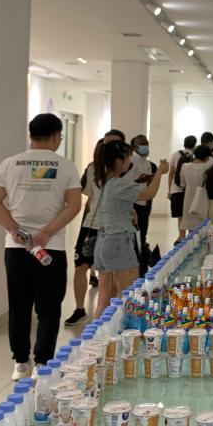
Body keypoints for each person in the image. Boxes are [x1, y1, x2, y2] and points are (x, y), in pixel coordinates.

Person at [0, 113, 82, 380]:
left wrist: (14, 229)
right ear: (55, 136)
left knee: (18, 305)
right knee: (49, 307)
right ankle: (43, 362)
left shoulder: (10, 164)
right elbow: (74, 205)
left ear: (32, 135)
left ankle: (20, 362)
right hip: (51, 248)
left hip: (16, 248)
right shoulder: (65, 166)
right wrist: (48, 231)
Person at [90, 141, 167, 315]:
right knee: (128, 298)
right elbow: (149, 194)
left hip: (103, 241)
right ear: (118, 162)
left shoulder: (102, 181)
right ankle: (122, 331)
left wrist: (128, 209)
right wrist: (160, 172)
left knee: (103, 301)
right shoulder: (119, 184)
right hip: (119, 241)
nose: (129, 161)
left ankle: (99, 332)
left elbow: (112, 203)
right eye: (127, 158)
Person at [66, 139, 105, 327]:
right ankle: (79, 308)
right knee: (80, 266)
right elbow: (89, 198)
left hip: (113, 227)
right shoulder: (92, 169)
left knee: (109, 271)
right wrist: (87, 221)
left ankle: (106, 311)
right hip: (91, 225)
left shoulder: (125, 171)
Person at [127, 134, 156, 272]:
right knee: (133, 236)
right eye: (141, 144)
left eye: (146, 144)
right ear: (134, 147)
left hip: (144, 203)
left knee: (142, 235)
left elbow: (149, 185)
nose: (145, 147)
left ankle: (141, 265)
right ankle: (133, 265)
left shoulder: (149, 164)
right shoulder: (130, 161)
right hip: (132, 203)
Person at [179, 144, 213, 232]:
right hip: (202, 200)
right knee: (202, 231)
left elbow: (182, 184)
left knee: (191, 233)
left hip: (188, 201)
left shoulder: (185, 166)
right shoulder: (207, 167)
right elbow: (212, 160)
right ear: (206, 157)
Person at [169, 135, 197, 240]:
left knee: (180, 216)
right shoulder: (195, 156)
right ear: (194, 145)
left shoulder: (175, 154)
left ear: (184, 144)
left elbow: (171, 173)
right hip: (190, 191)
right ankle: (191, 239)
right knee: (190, 216)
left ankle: (181, 237)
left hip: (176, 190)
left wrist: (169, 190)